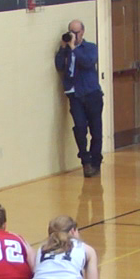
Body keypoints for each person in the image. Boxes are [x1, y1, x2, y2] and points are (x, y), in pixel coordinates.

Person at [55, 19, 104, 178]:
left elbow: (87, 62)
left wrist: (74, 48)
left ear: (82, 32)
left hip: (92, 93)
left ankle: (96, 161)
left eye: (76, 32)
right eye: (71, 31)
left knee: (96, 132)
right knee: (80, 128)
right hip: (75, 94)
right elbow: (59, 66)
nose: (73, 35)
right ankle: (85, 161)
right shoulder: (67, 49)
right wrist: (63, 48)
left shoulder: (90, 48)